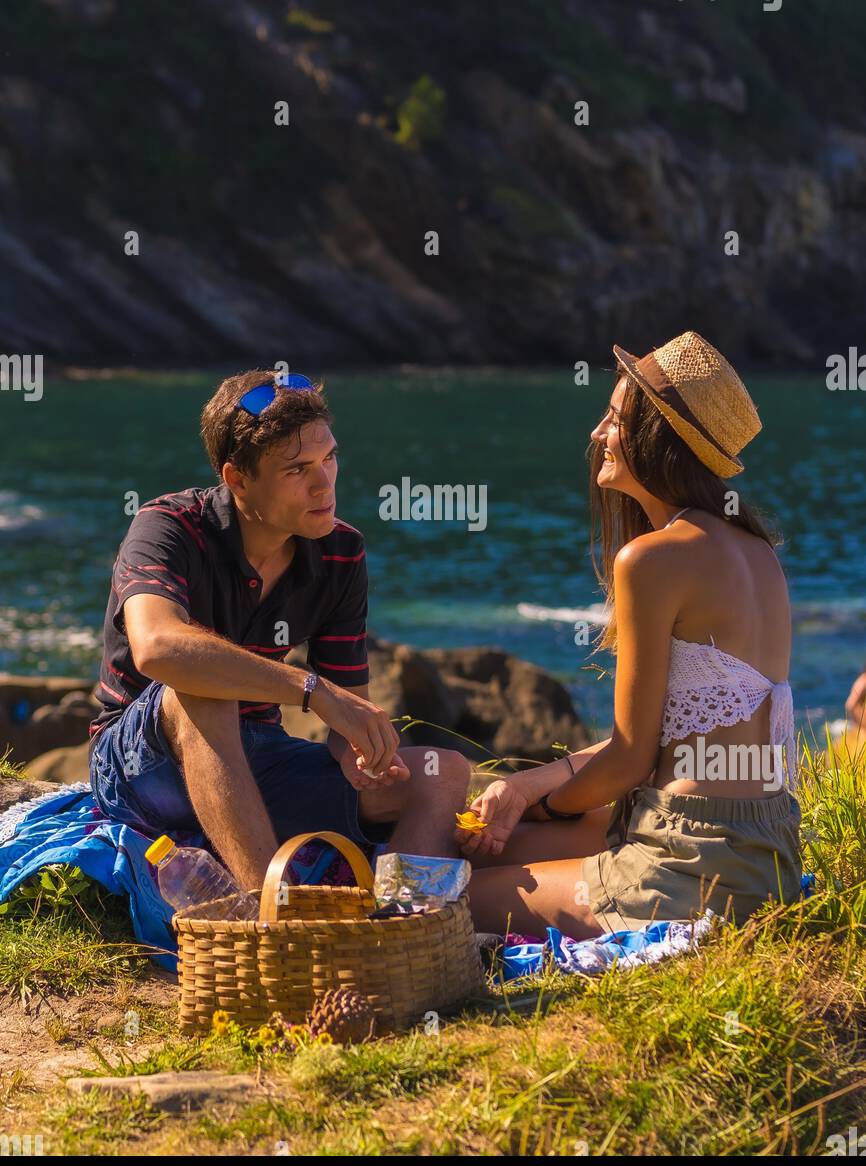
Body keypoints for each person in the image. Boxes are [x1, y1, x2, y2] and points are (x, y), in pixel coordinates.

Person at [458, 332, 802, 941]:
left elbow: (628, 761)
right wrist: (530, 784)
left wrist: (543, 802)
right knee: (497, 853)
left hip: (689, 862)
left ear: (658, 441)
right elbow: (675, 738)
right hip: (767, 854)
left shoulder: (652, 559)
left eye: (614, 419)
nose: (598, 434)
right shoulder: (757, 552)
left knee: (455, 892)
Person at [88, 369, 470, 891]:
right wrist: (309, 690)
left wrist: (360, 755)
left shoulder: (340, 553)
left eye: (329, 458)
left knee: (441, 772)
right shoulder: (167, 527)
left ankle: (399, 927)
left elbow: (347, 716)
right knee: (206, 689)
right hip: (139, 766)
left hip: (256, 762)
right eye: (297, 470)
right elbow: (158, 647)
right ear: (238, 478)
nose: (324, 484)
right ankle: (269, 918)